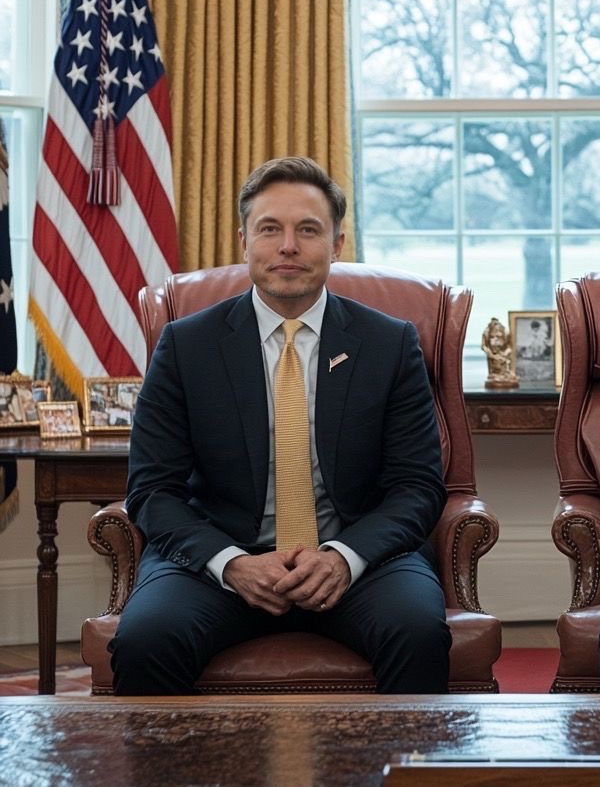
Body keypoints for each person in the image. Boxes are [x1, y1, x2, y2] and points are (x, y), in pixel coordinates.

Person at [110, 156, 451, 694]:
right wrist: (231, 564)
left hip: (358, 558)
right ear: (244, 241)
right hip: (221, 561)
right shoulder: (187, 346)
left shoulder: (390, 344)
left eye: (308, 230)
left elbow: (417, 486)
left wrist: (343, 558)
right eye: (270, 229)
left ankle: (393, 759)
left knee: (418, 631)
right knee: (145, 639)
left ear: (337, 245)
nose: (288, 246)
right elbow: (153, 490)